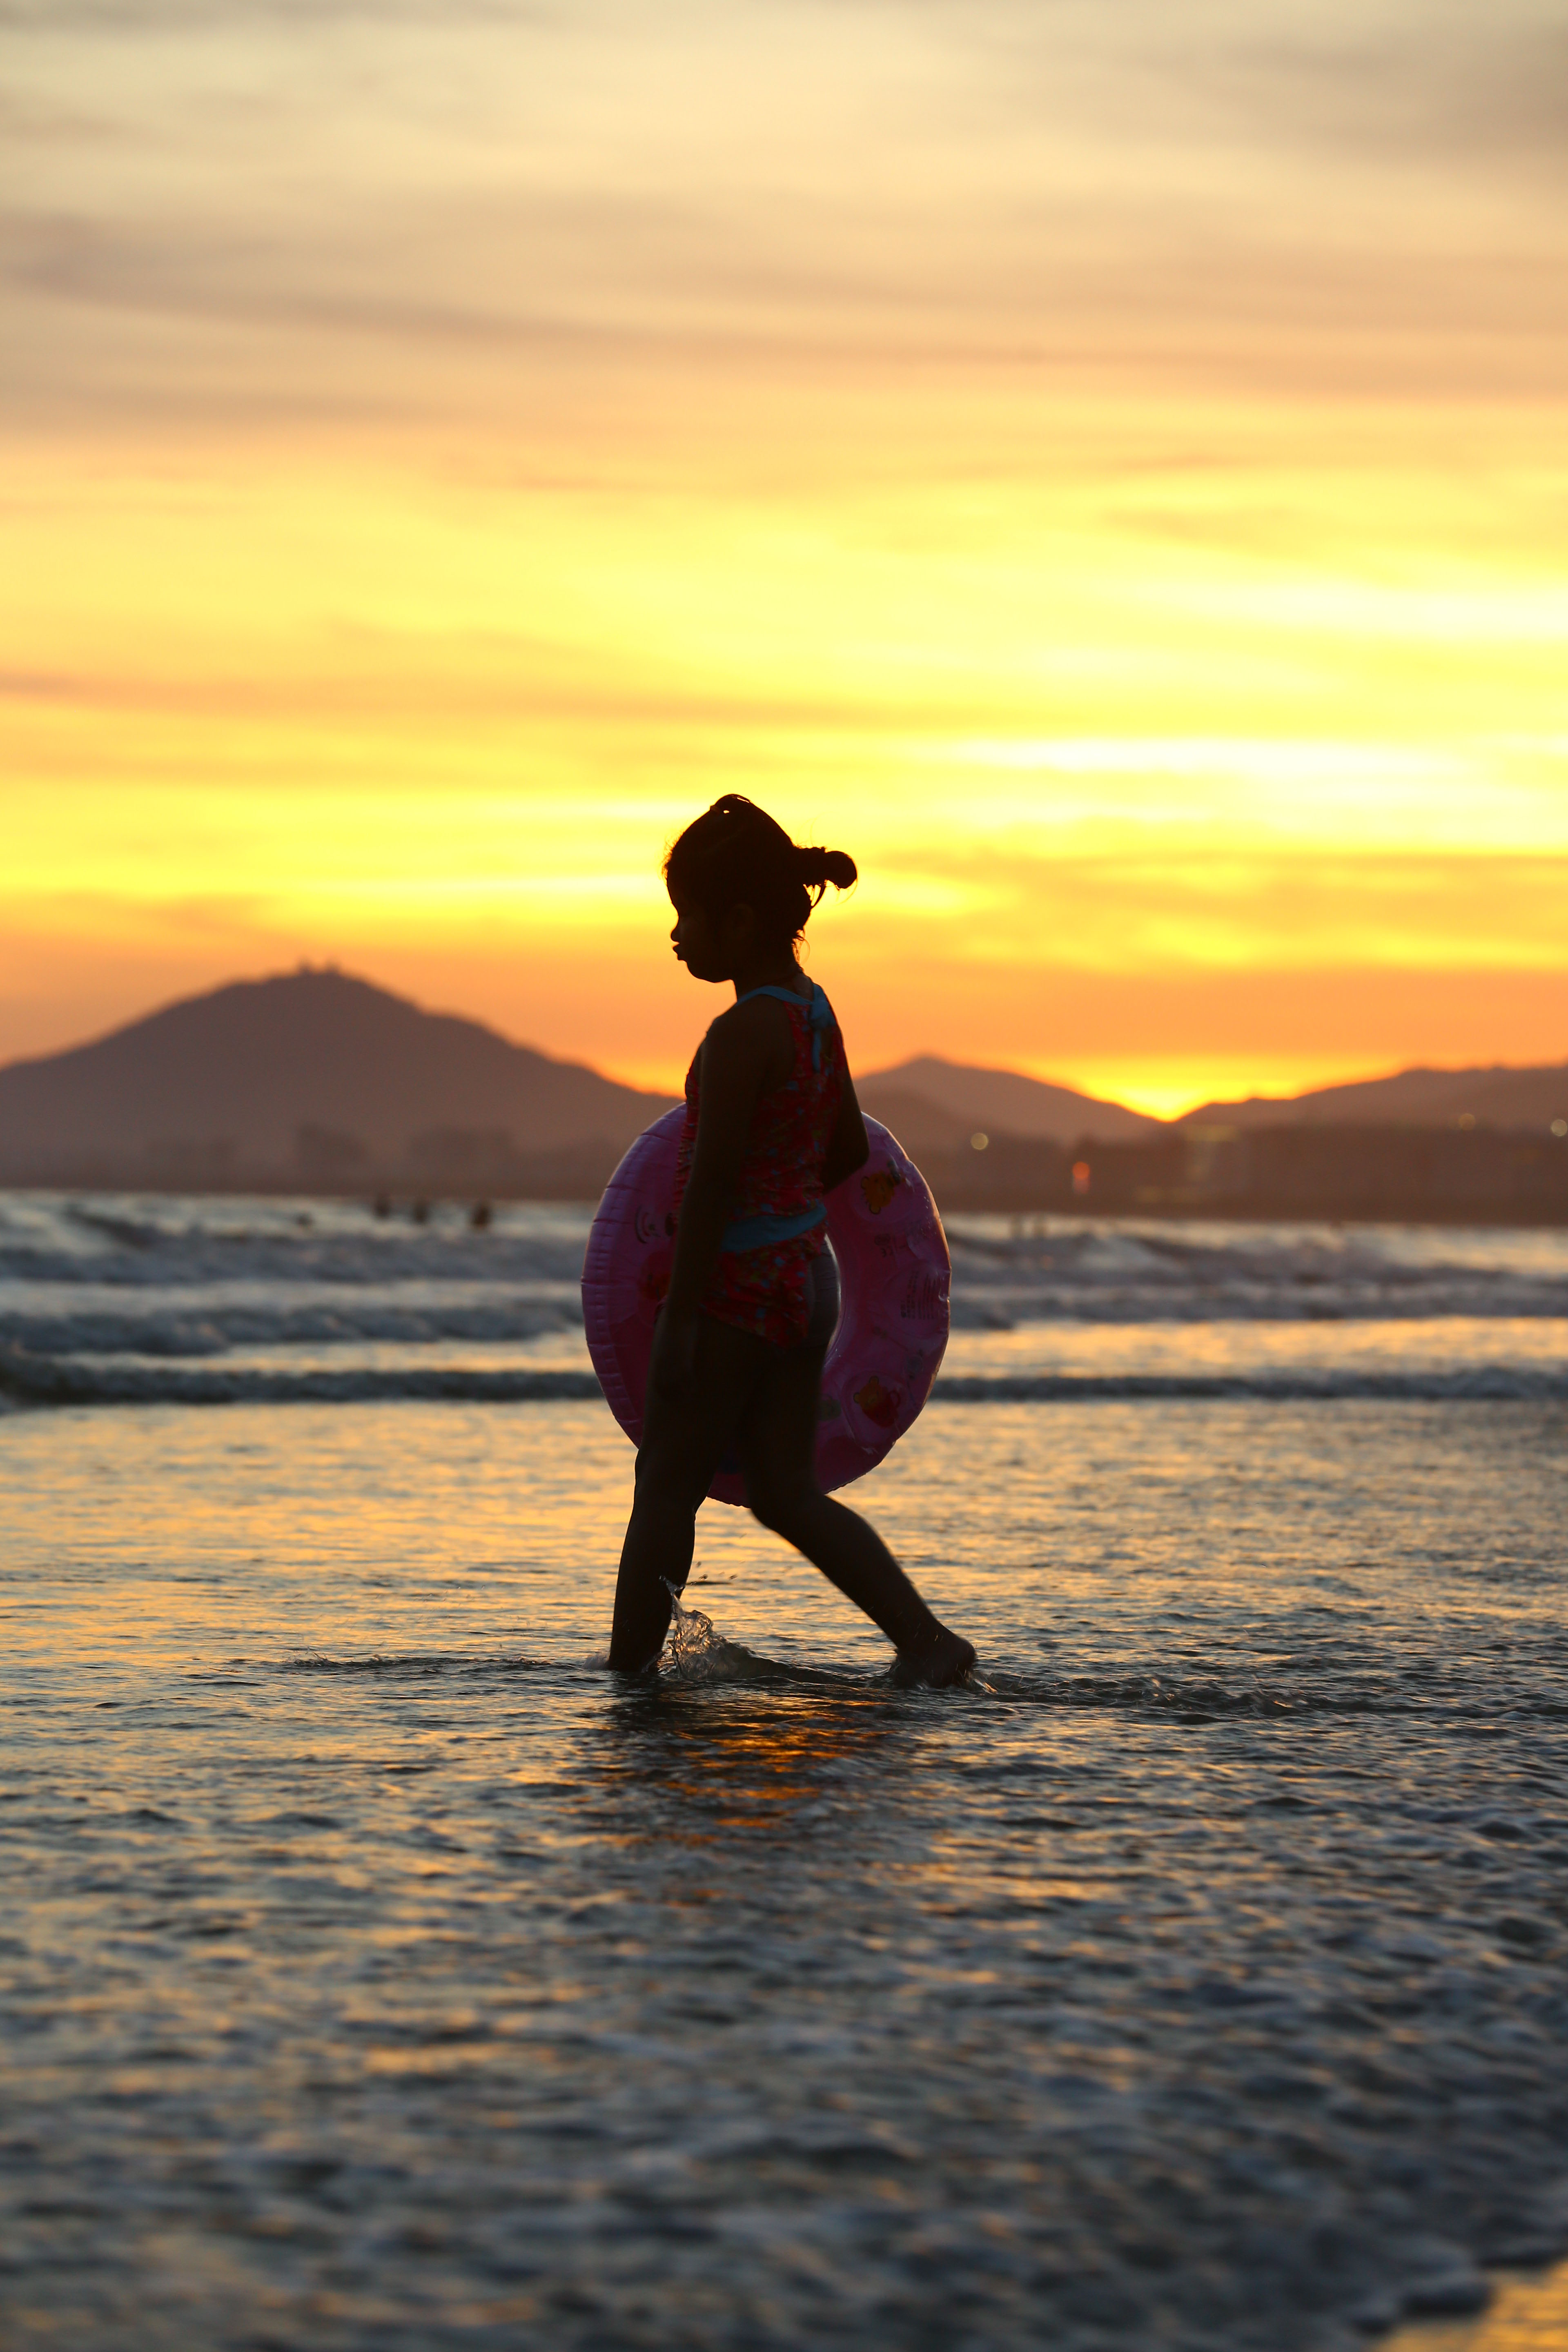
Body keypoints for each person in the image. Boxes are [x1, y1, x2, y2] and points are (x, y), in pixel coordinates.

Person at [607, 795, 976, 1685]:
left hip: (735, 1286)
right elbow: (845, 1149)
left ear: (737, 920)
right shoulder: (812, 1016)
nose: (675, 936)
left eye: (685, 916)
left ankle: (627, 1679)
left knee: (666, 1479)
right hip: (807, 1280)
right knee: (784, 1492)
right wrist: (786, 1188)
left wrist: (683, 1323)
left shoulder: (737, 1037)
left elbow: (709, 1191)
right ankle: (928, 1642)